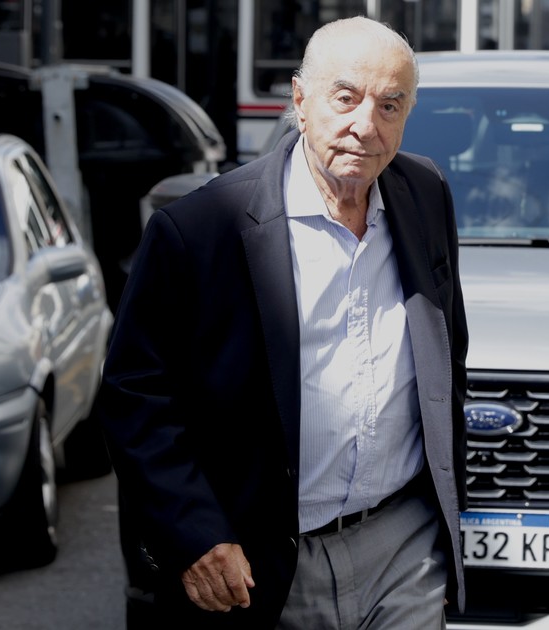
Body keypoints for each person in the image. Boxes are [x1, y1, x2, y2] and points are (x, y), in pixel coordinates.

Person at [95, 15, 469, 630]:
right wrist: (194, 531)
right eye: (345, 98)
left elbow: (445, 353)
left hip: (403, 541)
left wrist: (445, 521)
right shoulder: (201, 230)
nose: (366, 126)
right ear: (300, 99)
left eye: (389, 106)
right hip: (266, 560)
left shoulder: (424, 193)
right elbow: (134, 397)